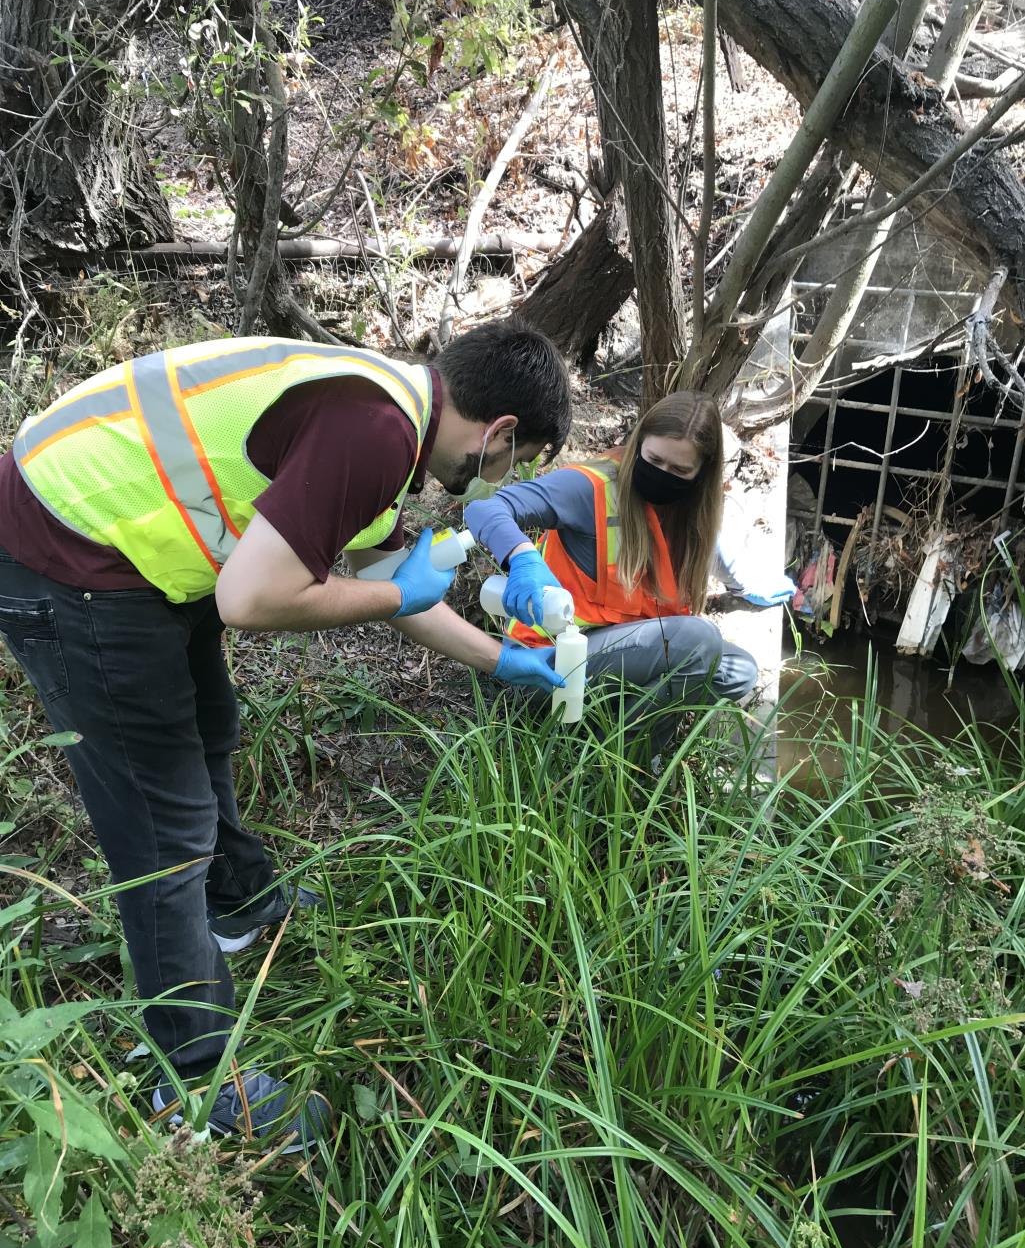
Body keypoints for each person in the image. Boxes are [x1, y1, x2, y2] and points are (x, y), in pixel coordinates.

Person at [0, 318, 571, 1149]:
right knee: (162, 825)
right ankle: (187, 1077)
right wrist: (397, 598)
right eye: (516, 464)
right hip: (67, 556)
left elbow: (380, 570)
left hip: (124, 546)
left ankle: (235, 901)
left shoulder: (390, 409)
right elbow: (256, 599)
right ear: (501, 433)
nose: (497, 481)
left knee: (209, 725)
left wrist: (499, 660)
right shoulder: (373, 429)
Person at [465, 390, 795, 741]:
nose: (663, 474)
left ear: (701, 474)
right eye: (653, 459)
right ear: (639, 444)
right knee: (698, 641)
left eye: (679, 470)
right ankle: (629, 758)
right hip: (545, 665)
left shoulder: (688, 509)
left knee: (737, 670)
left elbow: (711, 549)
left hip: (614, 660)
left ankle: (602, 731)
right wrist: (522, 558)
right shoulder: (590, 488)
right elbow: (484, 509)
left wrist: (745, 582)